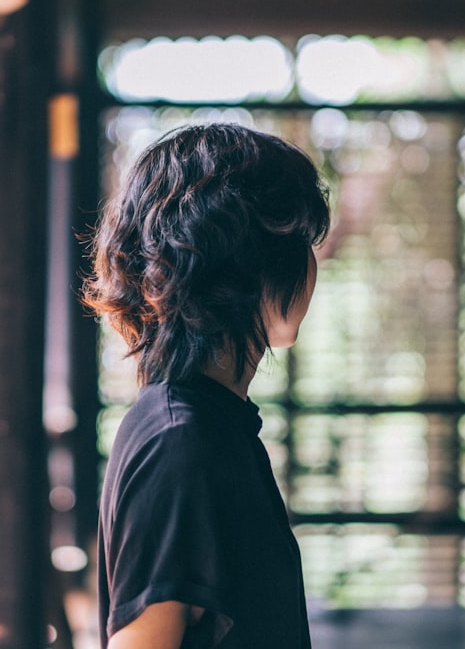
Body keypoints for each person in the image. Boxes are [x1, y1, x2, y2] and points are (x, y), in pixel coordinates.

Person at [82, 123, 331, 648]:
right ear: (249, 263)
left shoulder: (207, 423)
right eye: (301, 241)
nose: (313, 266)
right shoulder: (182, 443)